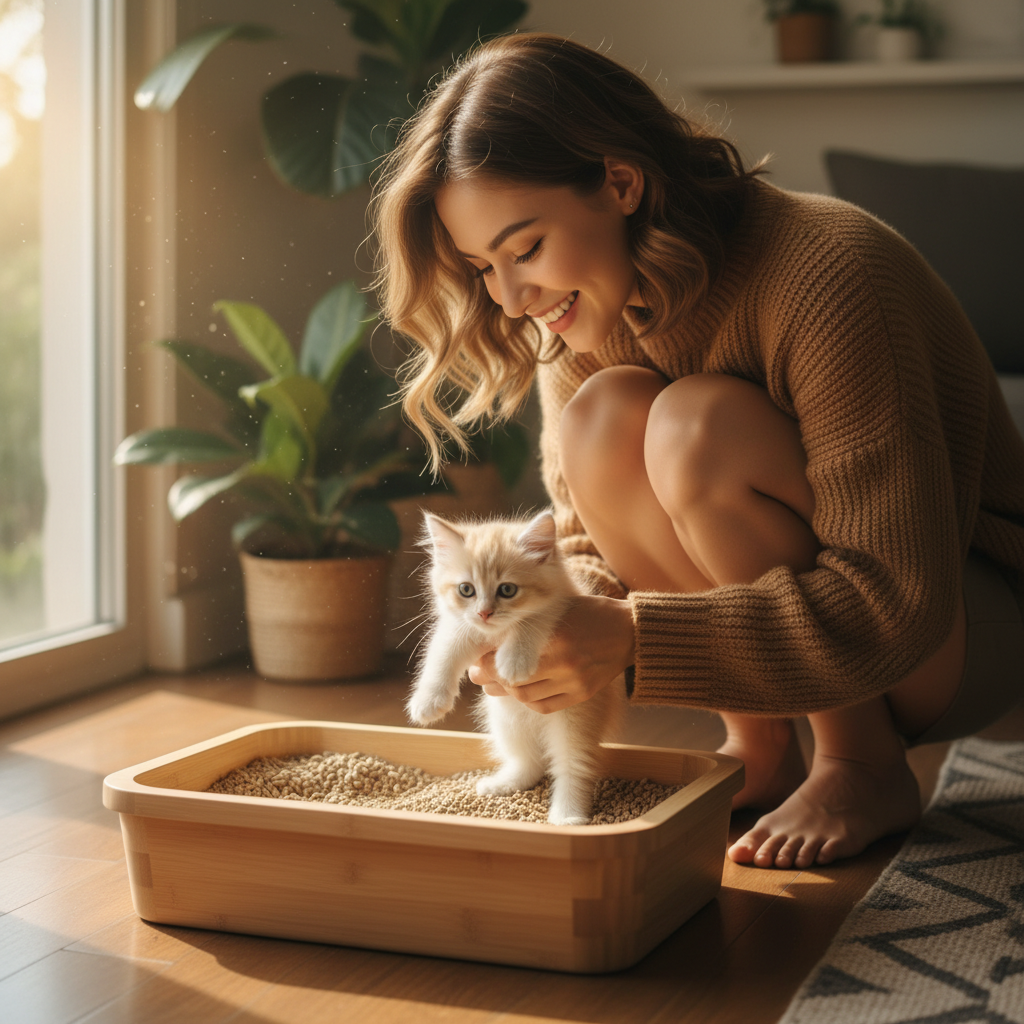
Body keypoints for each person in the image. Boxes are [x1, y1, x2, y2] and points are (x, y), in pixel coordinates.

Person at [370, 33, 1024, 869]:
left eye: (525, 248)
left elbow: (895, 598)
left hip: (963, 626)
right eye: (481, 267)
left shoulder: (829, 269)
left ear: (621, 182)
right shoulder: (578, 318)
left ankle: (861, 761)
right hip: (864, 629)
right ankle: (758, 742)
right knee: (608, 415)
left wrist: (633, 636)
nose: (511, 297)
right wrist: (561, 623)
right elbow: (579, 549)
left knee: (696, 427)